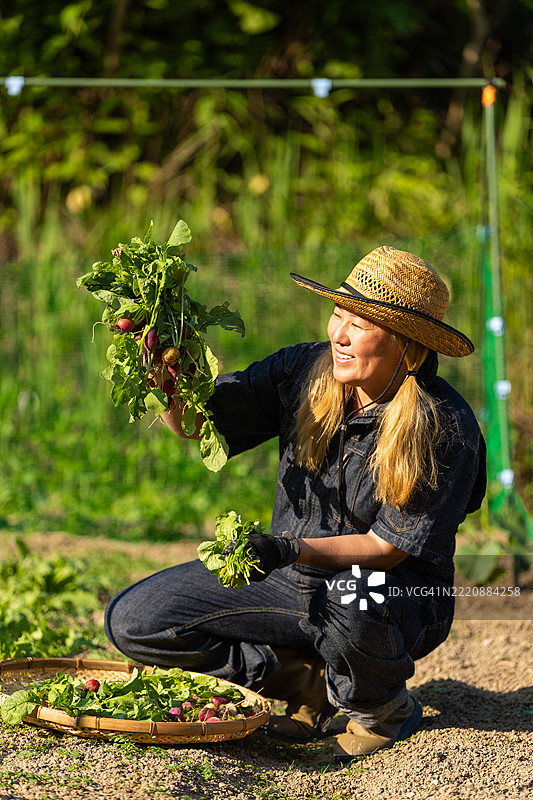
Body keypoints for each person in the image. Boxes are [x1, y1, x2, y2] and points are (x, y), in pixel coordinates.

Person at [104, 245, 486, 760]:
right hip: (294, 579)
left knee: (348, 597)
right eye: (338, 314)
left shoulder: (445, 426)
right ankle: (302, 682)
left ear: (407, 345)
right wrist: (167, 380)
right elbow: (198, 424)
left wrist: (288, 549)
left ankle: (382, 708)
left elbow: (387, 549)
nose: (340, 335)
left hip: (393, 593)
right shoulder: (302, 370)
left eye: (361, 324)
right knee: (134, 620)